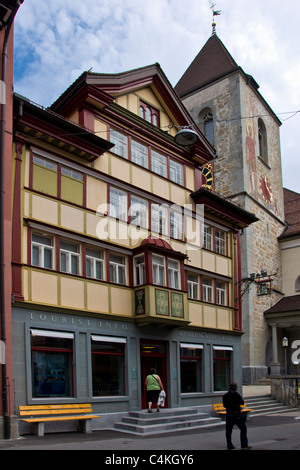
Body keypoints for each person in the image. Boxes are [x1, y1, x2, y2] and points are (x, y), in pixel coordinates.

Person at [222, 382, 252, 450]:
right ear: (235, 388)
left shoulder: (225, 395)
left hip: (229, 414)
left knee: (228, 431)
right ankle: (244, 444)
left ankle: (229, 445)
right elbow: (242, 402)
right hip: (237, 414)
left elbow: (224, 405)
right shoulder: (236, 394)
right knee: (243, 429)